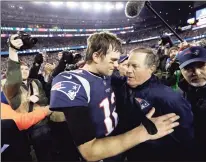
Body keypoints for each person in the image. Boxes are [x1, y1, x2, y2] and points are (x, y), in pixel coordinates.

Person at [50, 32, 180, 161]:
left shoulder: (106, 76)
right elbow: (89, 152)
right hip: (101, 156)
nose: (117, 65)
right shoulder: (72, 80)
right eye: (113, 60)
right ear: (96, 56)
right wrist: (142, 132)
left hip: (120, 148)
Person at [113, 47, 195, 161]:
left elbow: (186, 136)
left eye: (135, 66)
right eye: (128, 65)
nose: (128, 70)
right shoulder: (123, 85)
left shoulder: (169, 98)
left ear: (151, 68)